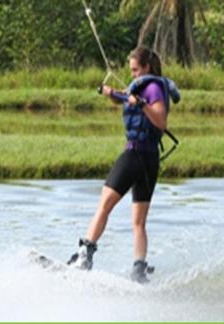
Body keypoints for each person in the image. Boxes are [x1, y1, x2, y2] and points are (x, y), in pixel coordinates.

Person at [67, 46, 179, 283]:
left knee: (105, 206)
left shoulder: (153, 87)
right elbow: (127, 98)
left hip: (136, 156)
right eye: (131, 70)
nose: (133, 75)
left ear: (147, 67)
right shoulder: (143, 86)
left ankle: (84, 257)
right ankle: (139, 269)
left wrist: (141, 104)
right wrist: (111, 93)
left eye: (136, 70)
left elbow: (160, 120)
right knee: (138, 222)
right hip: (148, 160)